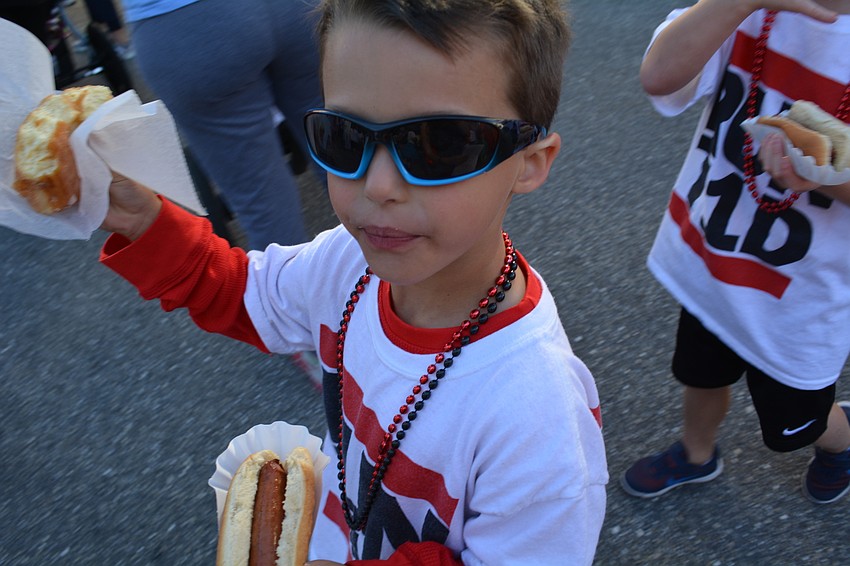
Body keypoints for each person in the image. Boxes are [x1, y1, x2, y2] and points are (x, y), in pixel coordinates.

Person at [98, 0, 608, 563]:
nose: (379, 184)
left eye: (439, 144)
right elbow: (239, 291)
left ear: (530, 162)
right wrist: (146, 223)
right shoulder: (344, 262)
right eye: (345, 137)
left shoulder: (536, 417)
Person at [621, 0, 850, 505]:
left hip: (800, 299)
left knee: (795, 420)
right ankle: (696, 452)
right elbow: (660, 76)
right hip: (714, 260)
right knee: (700, 373)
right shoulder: (749, 11)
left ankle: (839, 441)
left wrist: (824, 178)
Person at [118, 0, 323, 252]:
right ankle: (383, 281)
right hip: (292, 9)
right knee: (349, 150)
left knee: (267, 211)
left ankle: (300, 287)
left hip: (183, 24)